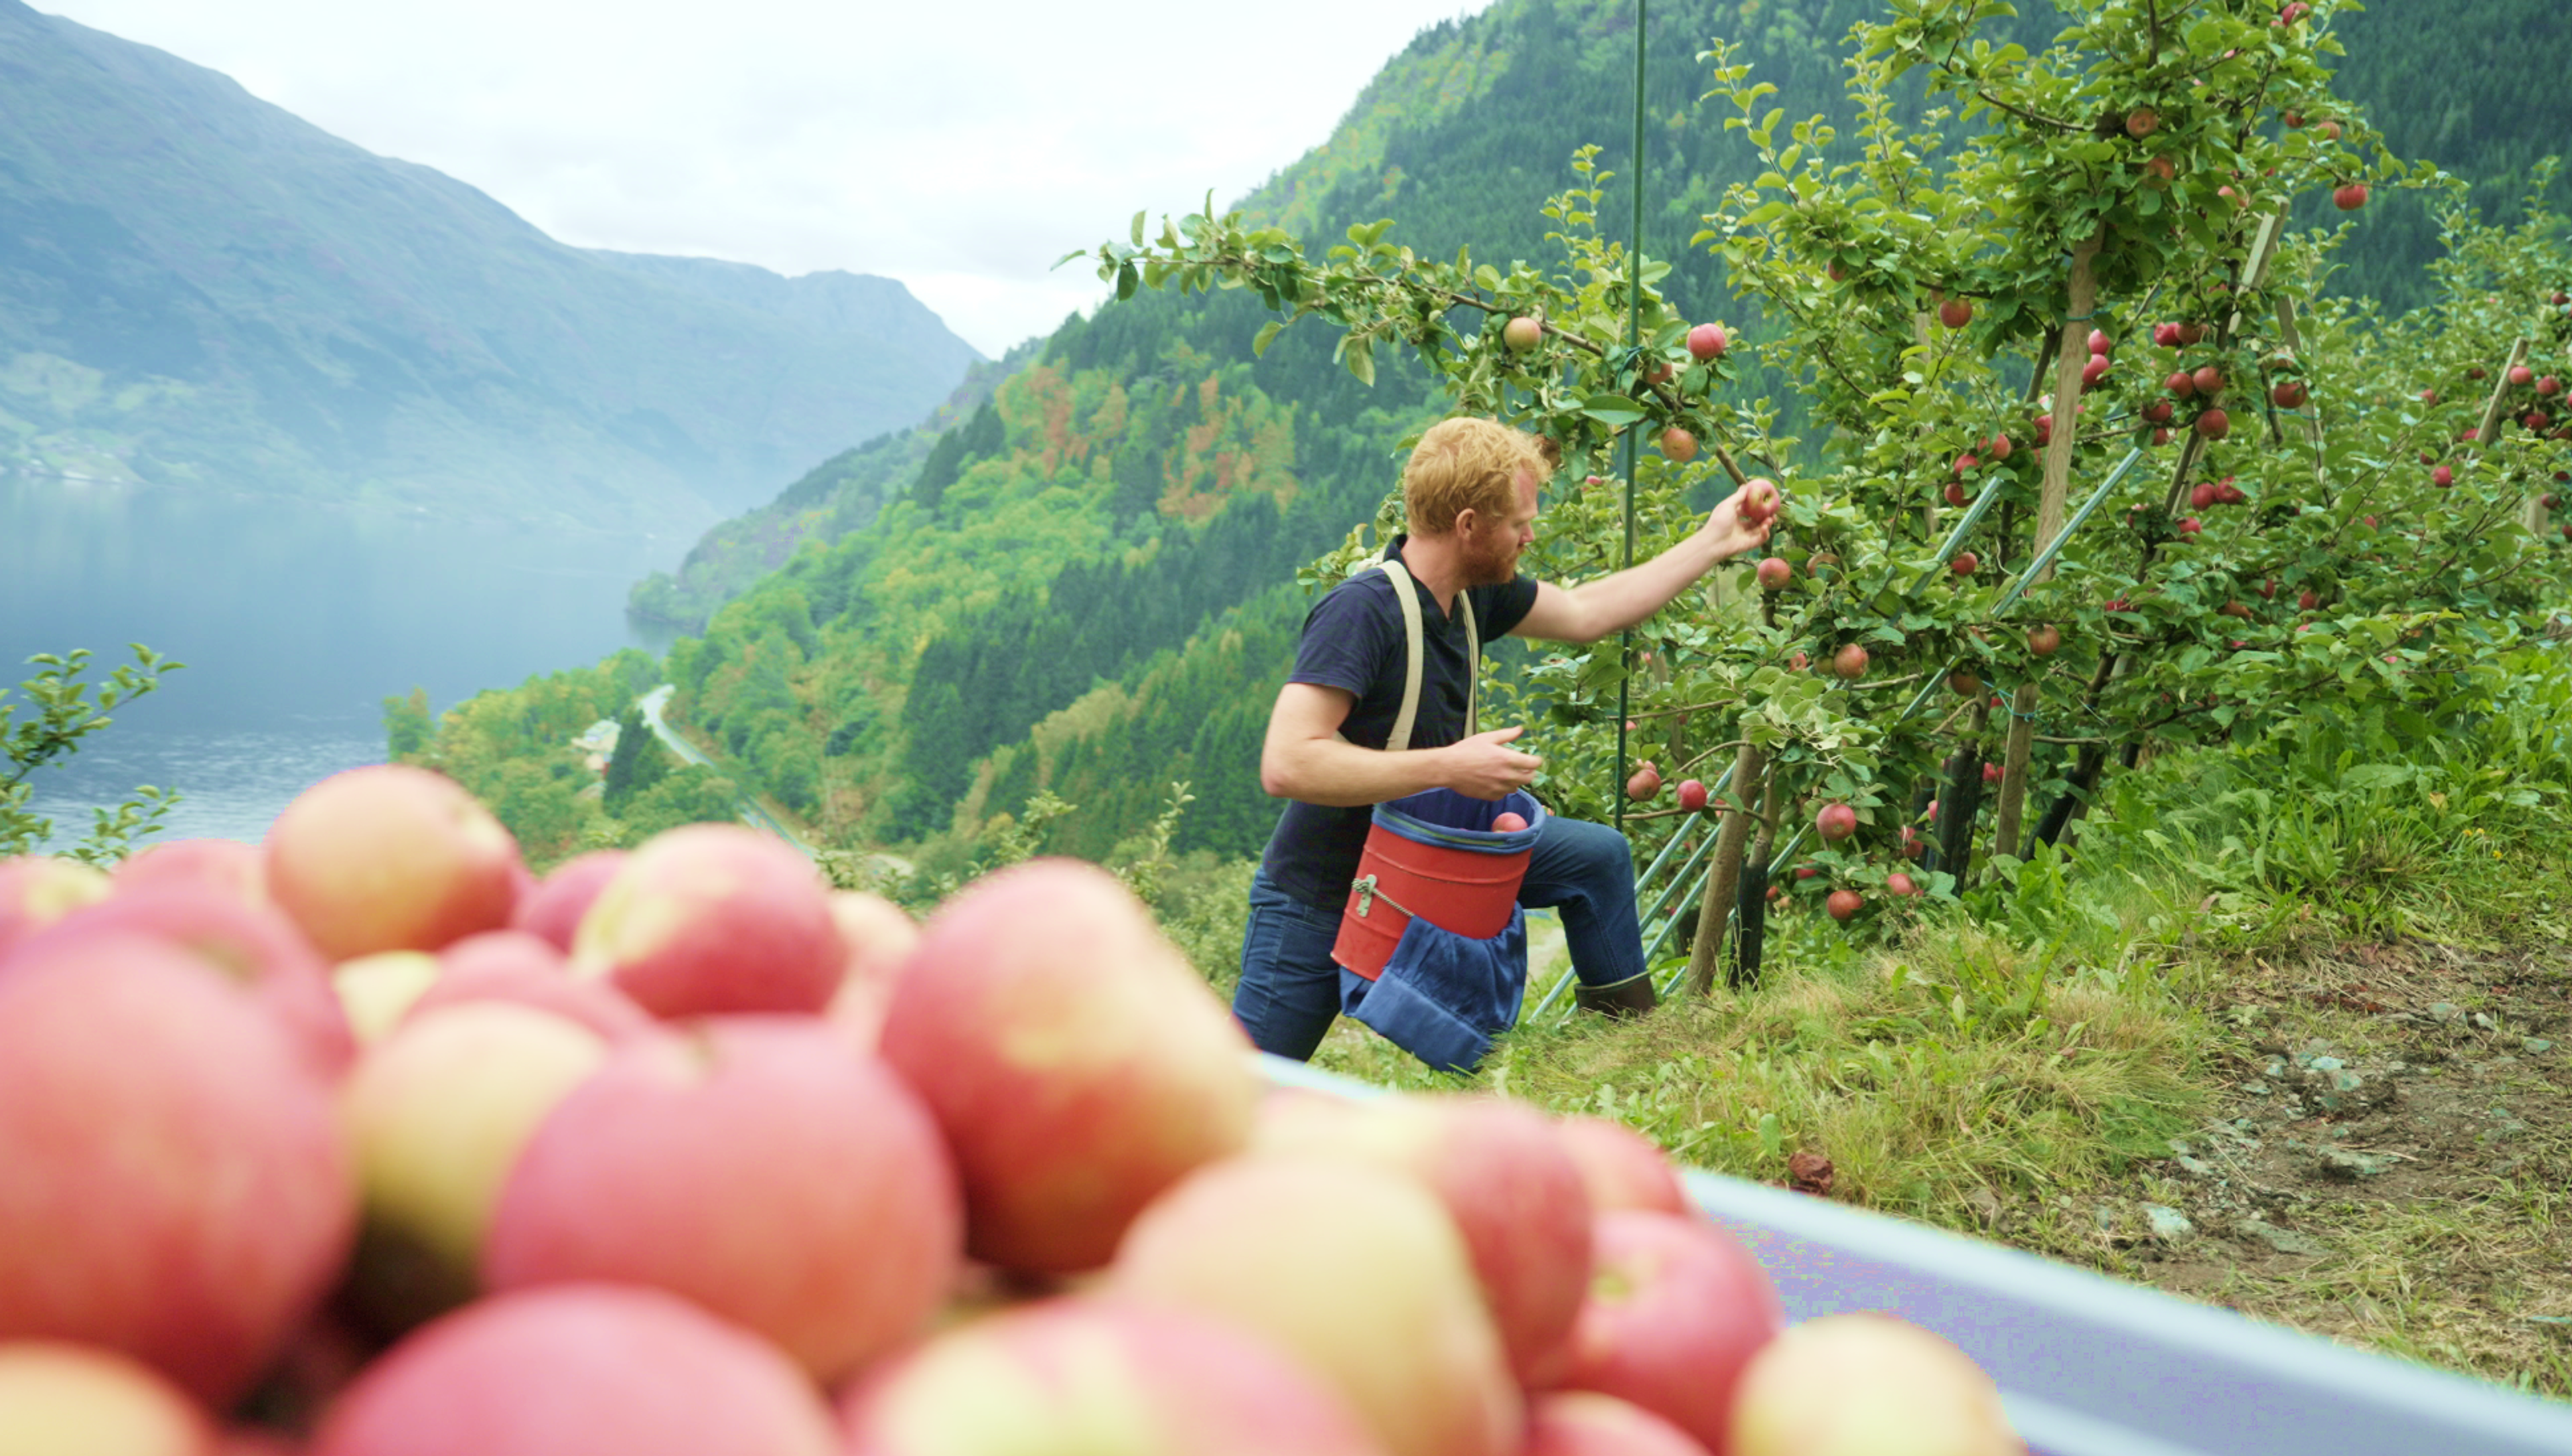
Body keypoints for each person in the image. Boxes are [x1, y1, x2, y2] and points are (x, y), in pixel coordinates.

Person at [1237, 415, 1776, 1060]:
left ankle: (1638, 1056)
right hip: (1321, 897)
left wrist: (1714, 540)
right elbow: (1288, 764)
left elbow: (1585, 613)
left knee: (1596, 858)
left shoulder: (1471, 595)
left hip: (1432, 862)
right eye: (1519, 522)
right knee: (1245, 1094)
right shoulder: (1362, 611)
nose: (1530, 534)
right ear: (1469, 526)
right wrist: (1449, 767)